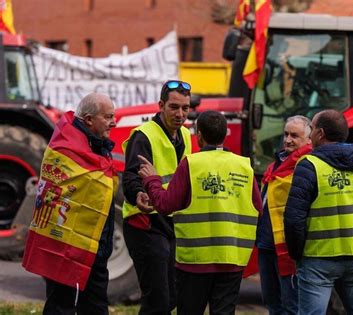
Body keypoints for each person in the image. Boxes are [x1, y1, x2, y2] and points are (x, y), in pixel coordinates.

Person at [137, 110, 263, 315]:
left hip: (194, 262)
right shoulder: (244, 166)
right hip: (232, 259)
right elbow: (258, 211)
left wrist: (152, 180)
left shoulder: (191, 164)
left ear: (199, 135)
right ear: (225, 135)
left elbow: (165, 205)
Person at [284, 109, 353, 315]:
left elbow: (293, 220)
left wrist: (298, 255)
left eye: (312, 128)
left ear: (320, 133)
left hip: (317, 258)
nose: (311, 133)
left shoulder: (309, 165)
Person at [22, 93, 117, 314]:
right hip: (65, 250)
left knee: (96, 308)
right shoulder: (66, 148)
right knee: (61, 308)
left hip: (95, 248)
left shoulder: (99, 145)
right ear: (89, 119)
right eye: (108, 116)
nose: (114, 122)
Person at [121, 80, 192, 314]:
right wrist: (139, 194)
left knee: (171, 298)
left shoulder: (185, 135)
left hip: (170, 222)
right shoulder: (144, 136)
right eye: (174, 107)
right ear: (161, 105)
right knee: (158, 301)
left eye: (185, 108)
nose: (180, 114)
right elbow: (130, 177)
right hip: (144, 222)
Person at [256, 115, 312, 314]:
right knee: (273, 303)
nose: (288, 139)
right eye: (286, 134)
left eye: (294, 136)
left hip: (289, 248)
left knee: (291, 306)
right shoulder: (277, 164)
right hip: (266, 243)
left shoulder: (307, 165)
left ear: (309, 139)